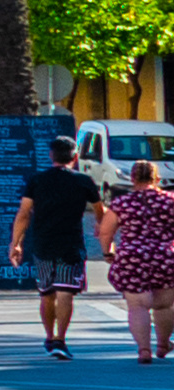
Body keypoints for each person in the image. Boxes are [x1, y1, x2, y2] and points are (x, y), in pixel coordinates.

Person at [19, 143, 109, 357]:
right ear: (75, 156)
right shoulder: (83, 181)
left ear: (51, 155)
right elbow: (100, 211)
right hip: (71, 245)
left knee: (47, 294)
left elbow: (24, 212)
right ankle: (60, 338)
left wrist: (16, 242)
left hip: (42, 244)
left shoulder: (37, 180)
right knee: (66, 291)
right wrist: (104, 233)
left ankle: (49, 337)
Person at [108, 164, 174, 367]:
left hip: (132, 256)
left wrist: (107, 251)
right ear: (156, 177)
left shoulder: (122, 202)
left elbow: (105, 230)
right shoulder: (170, 201)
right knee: (164, 305)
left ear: (132, 178)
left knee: (137, 307)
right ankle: (163, 344)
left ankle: (144, 349)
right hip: (164, 255)